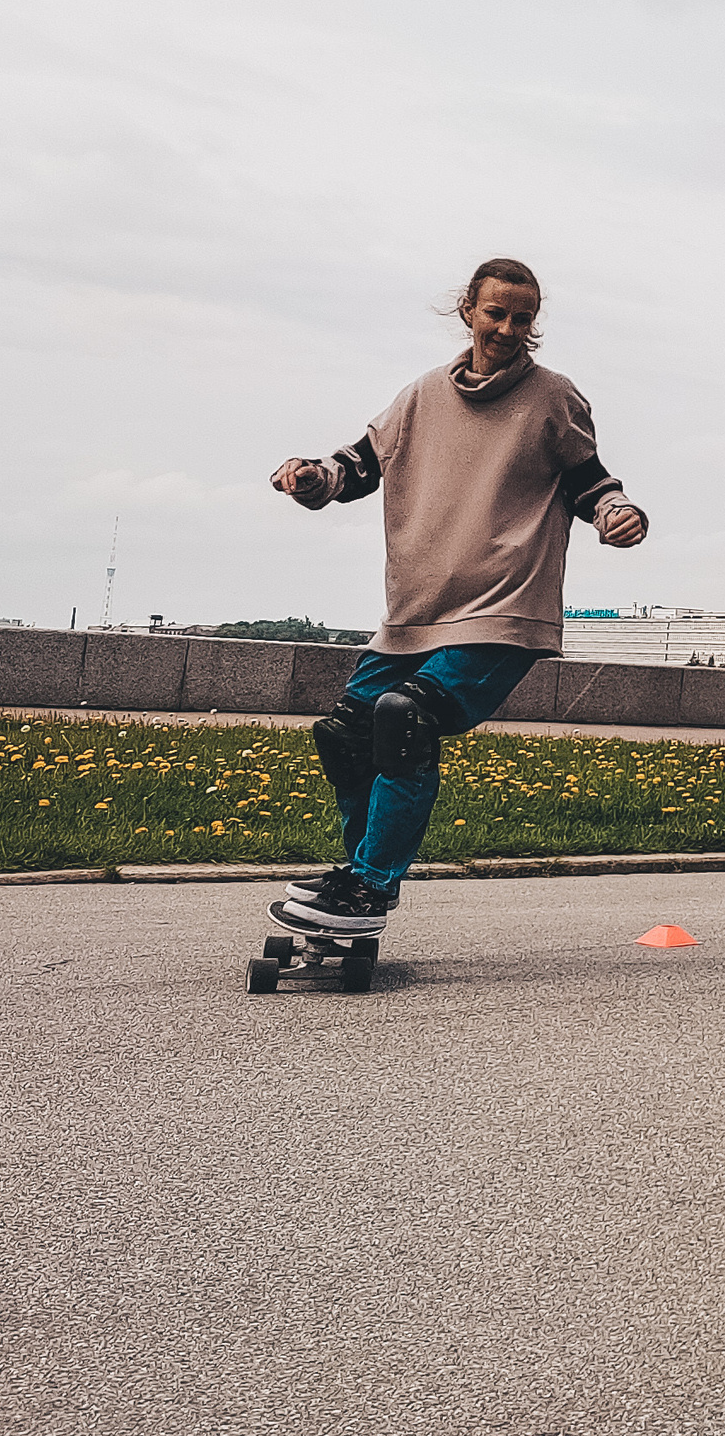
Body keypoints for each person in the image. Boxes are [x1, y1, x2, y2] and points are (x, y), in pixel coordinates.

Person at [267, 257, 648, 937]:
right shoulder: (419, 397)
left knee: (404, 719)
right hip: (417, 612)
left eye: (522, 318)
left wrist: (618, 512)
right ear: (468, 310)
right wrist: (310, 477)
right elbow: (355, 468)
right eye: (496, 313)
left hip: (505, 608)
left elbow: (592, 481)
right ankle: (357, 878)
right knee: (348, 731)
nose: (507, 328)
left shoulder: (553, 397)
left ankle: (372, 884)